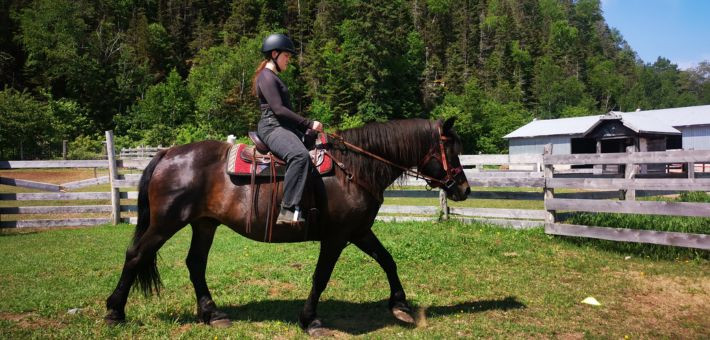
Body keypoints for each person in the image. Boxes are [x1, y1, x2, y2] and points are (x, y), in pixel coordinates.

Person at [252, 33, 323, 226]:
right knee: (299, 156)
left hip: (282, 126)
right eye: (286, 56)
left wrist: (307, 132)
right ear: (274, 54)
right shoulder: (266, 77)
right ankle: (288, 209)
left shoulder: (273, 77)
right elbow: (278, 110)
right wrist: (308, 123)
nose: (288, 61)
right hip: (272, 127)